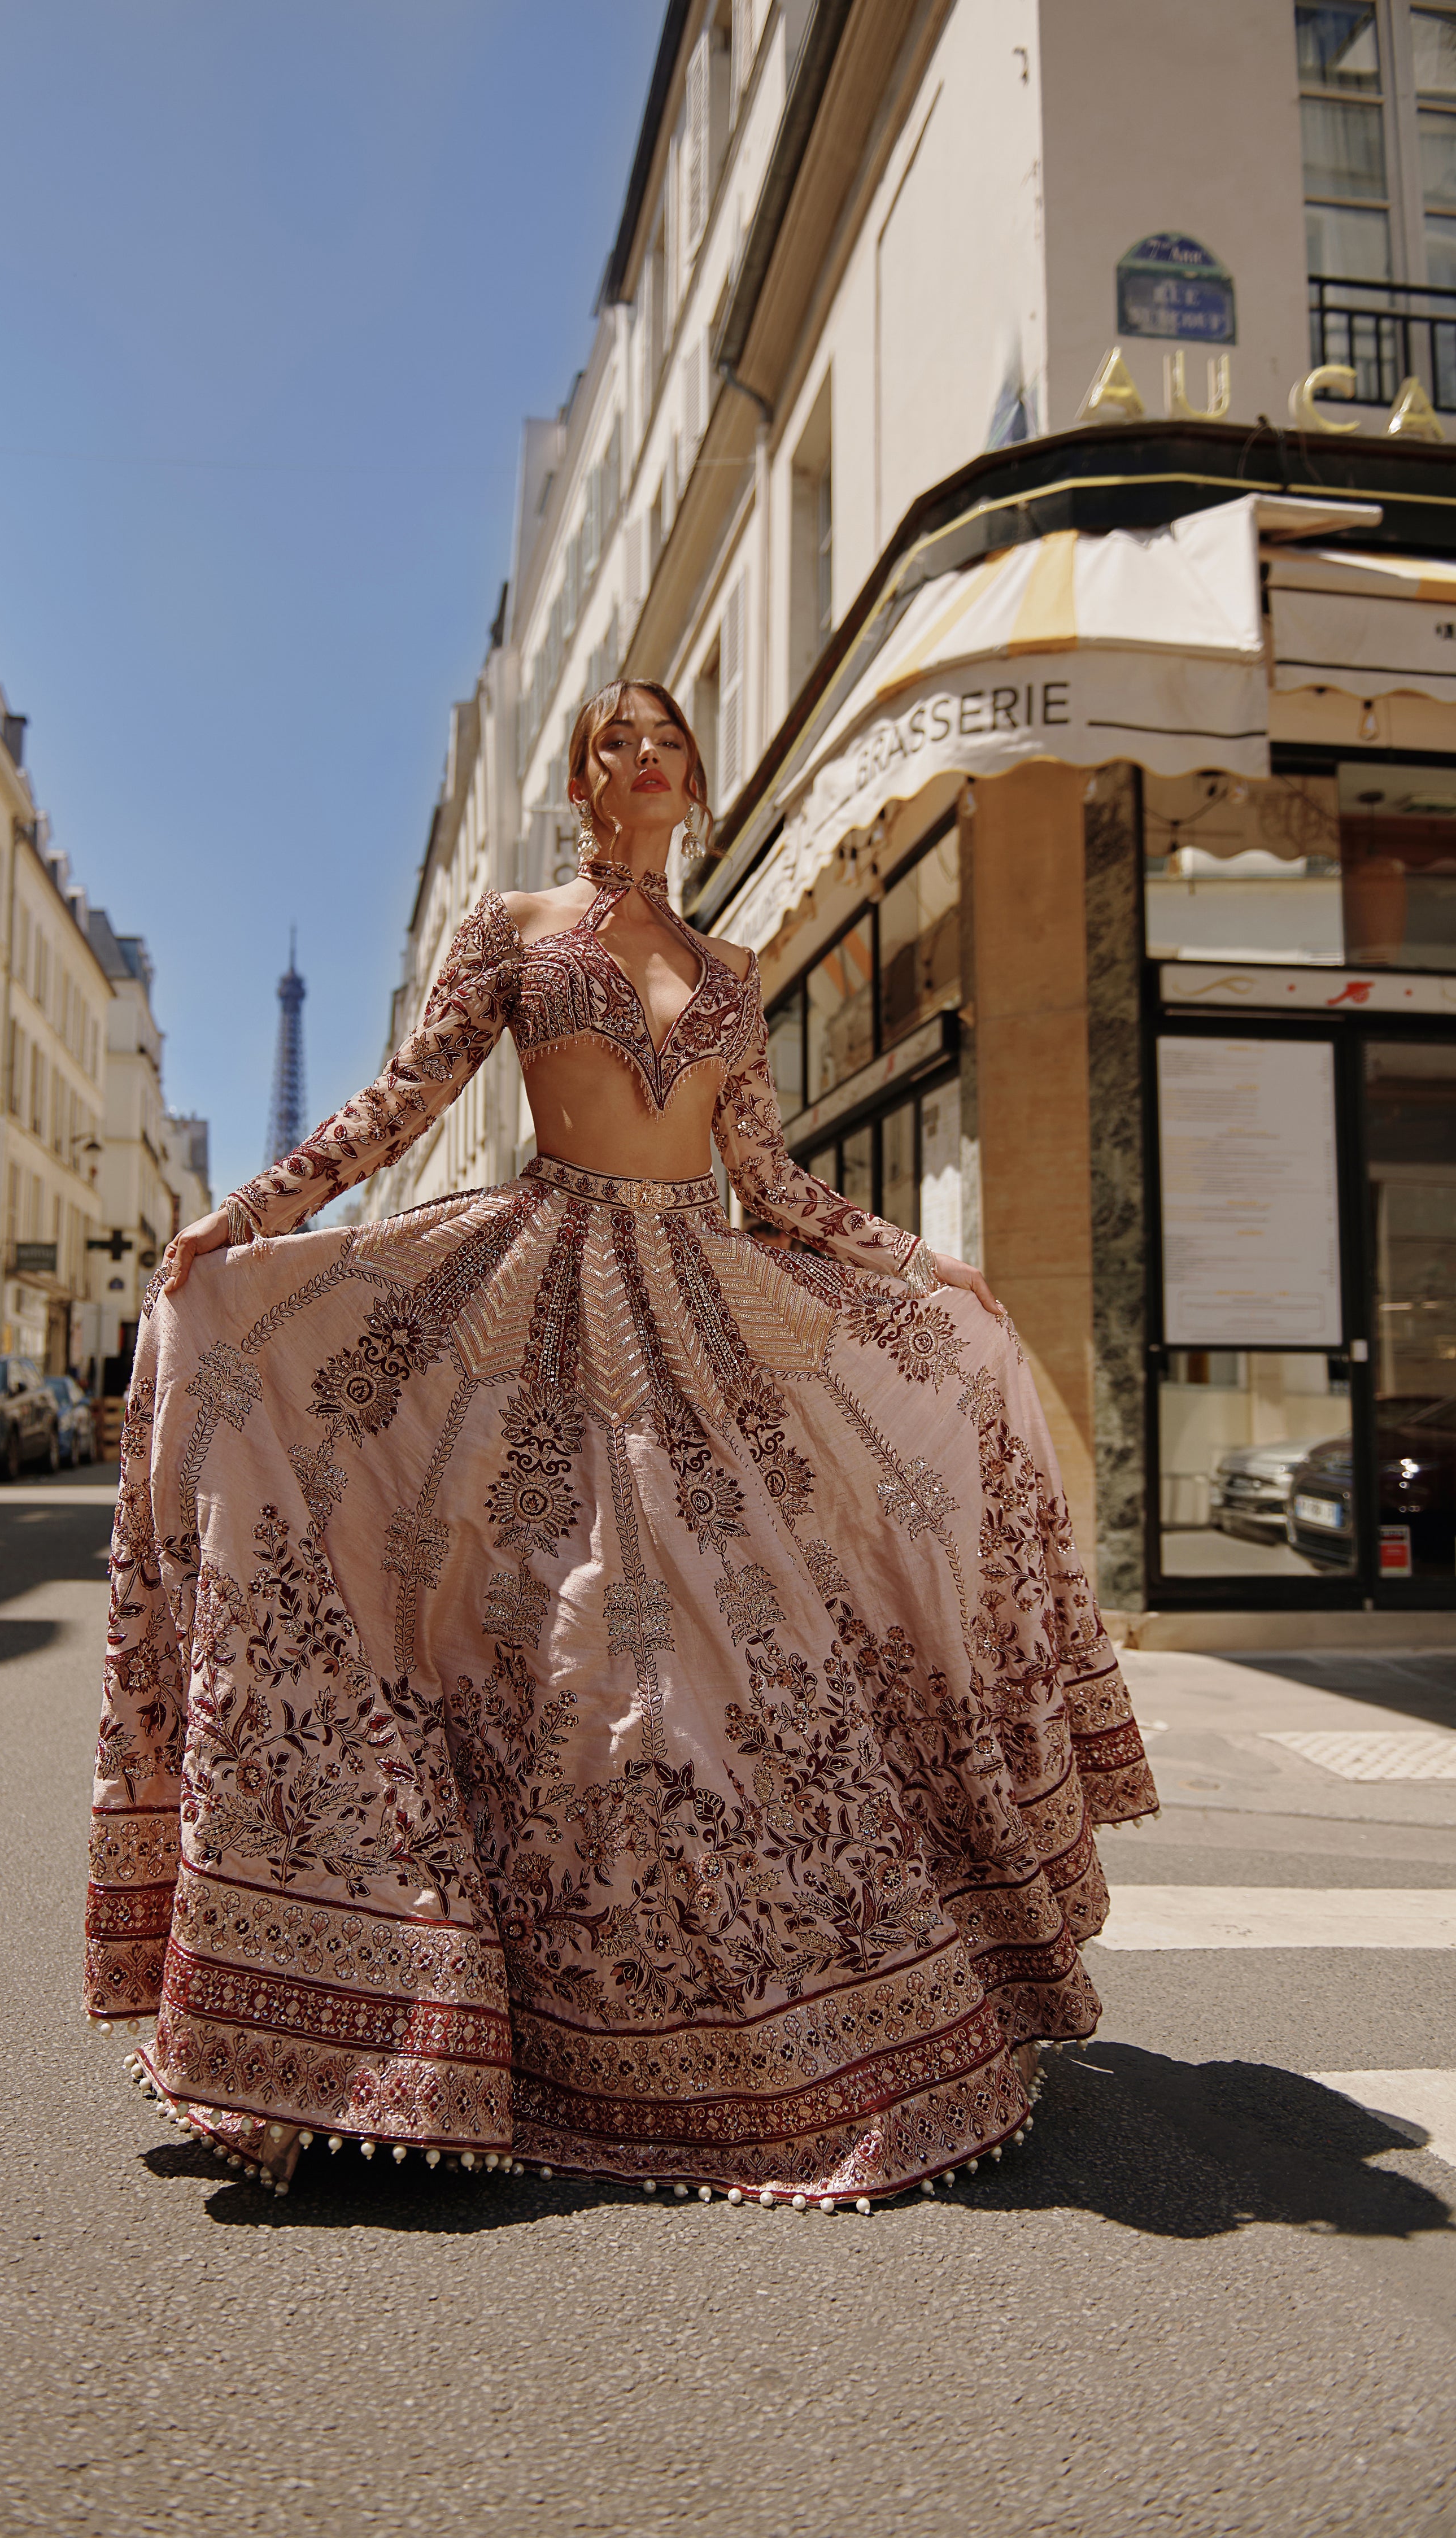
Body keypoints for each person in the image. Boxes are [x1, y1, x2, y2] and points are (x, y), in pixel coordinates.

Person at [84, 681, 1156, 2207]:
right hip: (543, 1299)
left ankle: (741, 2019)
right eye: (615, 746)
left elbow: (770, 1184)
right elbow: (409, 1100)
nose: (643, 761)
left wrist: (925, 1273)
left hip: (700, 1308)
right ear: (586, 782)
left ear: (695, 780)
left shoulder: (729, 967)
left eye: (664, 743)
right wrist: (251, 1218)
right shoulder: (515, 930)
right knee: (553, 1640)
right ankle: (497, 2016)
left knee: (730, 1644)